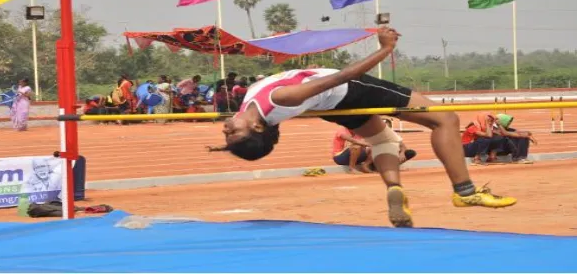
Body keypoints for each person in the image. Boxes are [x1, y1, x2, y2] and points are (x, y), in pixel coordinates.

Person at [206, 25, 516, 228]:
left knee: (384, 139)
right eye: (234, 134)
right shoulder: (281, 98)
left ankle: (394, 187)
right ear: (258, 129)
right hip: (352, 91)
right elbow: (342, 77)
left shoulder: (251, 105)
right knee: (446, 119)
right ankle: (465, 191)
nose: (225, 130)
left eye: (227, 135)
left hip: (333, 106)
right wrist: (385, 49)